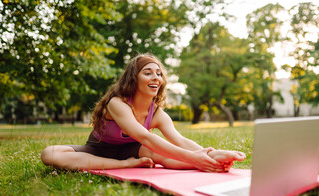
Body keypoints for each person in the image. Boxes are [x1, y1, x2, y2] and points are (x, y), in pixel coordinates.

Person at [41, 54, 246, 172]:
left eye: (159, 74)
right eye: (147, 72)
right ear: (133, 78)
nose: (155, 77)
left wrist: (206, 155)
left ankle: (216, 158)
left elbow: (179, 140)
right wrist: (192, 158)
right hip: (97, 151)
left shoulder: (157, 113)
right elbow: (144, 136)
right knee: (49, 154)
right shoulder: (117, 103)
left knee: (161, 155)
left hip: (135, 150)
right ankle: (123, 165)